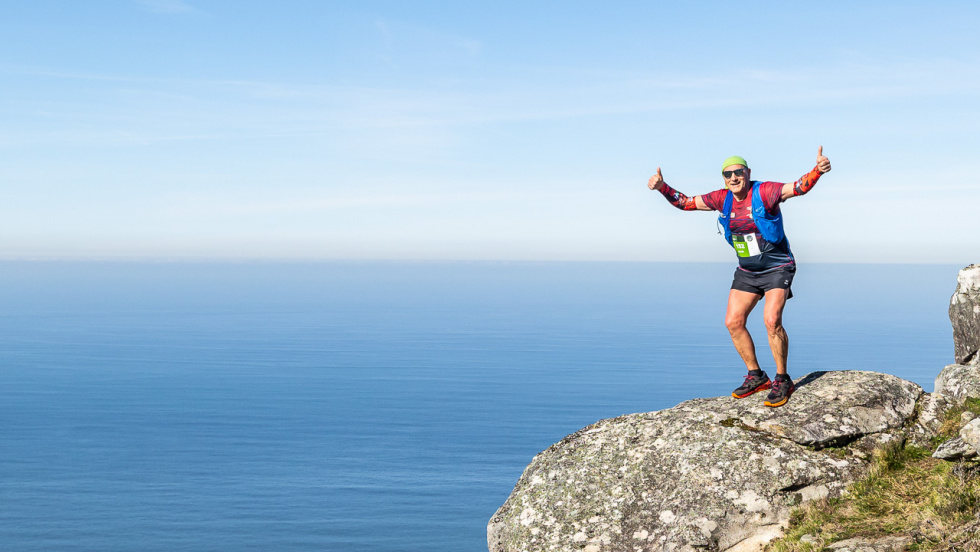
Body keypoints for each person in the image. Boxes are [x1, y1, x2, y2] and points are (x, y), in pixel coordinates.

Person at [647, 148, 832, 407]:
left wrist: (817, 171)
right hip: (748, 271)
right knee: (733, 322)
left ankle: (782, 379)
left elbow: (798, 188)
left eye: (738, 172)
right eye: (728, 174)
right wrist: (662, 187)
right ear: (724, 178)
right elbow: (685, 203)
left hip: (777, 267)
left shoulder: (765, 192)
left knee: (772, 321)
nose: (733, 177)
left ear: (748, 173)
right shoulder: (721, 198)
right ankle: (756, 376)